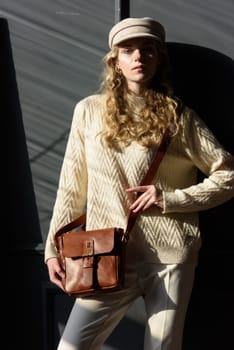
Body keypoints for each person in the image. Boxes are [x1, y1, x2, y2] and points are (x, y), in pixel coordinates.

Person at [44, 17, 234, 350]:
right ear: (114, 60)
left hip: (170, 255)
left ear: (158, 58)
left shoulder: (179, 117)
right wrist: (53, 250)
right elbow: (71, 187)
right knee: (71, 346)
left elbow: (228, 175)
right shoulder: (88, 111)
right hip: (104, 253)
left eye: (148, 50)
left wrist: (168, 199)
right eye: (128, 50)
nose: (138, 57)